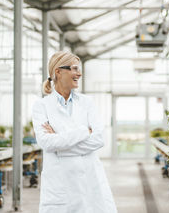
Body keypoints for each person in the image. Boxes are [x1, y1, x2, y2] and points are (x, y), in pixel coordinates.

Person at [32, 50, 117, 213]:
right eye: (74, 69)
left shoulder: (87, 102)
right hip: (60, 186)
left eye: (79, 69)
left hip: (89, 182)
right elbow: (46, 143)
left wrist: (60, 146)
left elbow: (99, 139)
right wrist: (84, 131)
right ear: (58, 71)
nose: (79, 73)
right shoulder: (41, 106)